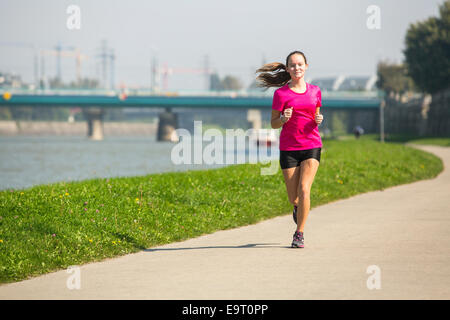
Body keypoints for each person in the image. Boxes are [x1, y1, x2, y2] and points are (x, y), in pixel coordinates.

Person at [255, 51, 323, 248]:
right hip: (289, 148)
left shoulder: (316, 91)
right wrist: (283, 119)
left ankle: (299, 233)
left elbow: (316, 117)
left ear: (306, 66)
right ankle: (297, 207)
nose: (297, 68)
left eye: (300, 64)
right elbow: (274, 124)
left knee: (304, 190)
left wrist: (319, 119)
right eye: (292, 65)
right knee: (293, 197)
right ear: (287, 69)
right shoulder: (281, 94)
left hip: (311, 145)